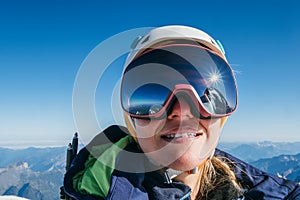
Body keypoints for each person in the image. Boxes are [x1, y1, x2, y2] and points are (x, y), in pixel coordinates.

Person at [63, 25, 300, 200]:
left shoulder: (260, 189)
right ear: (131, 119)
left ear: (223, 116)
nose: (184, 111)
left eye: (205, 97)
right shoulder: (95, 192)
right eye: (154, 96)